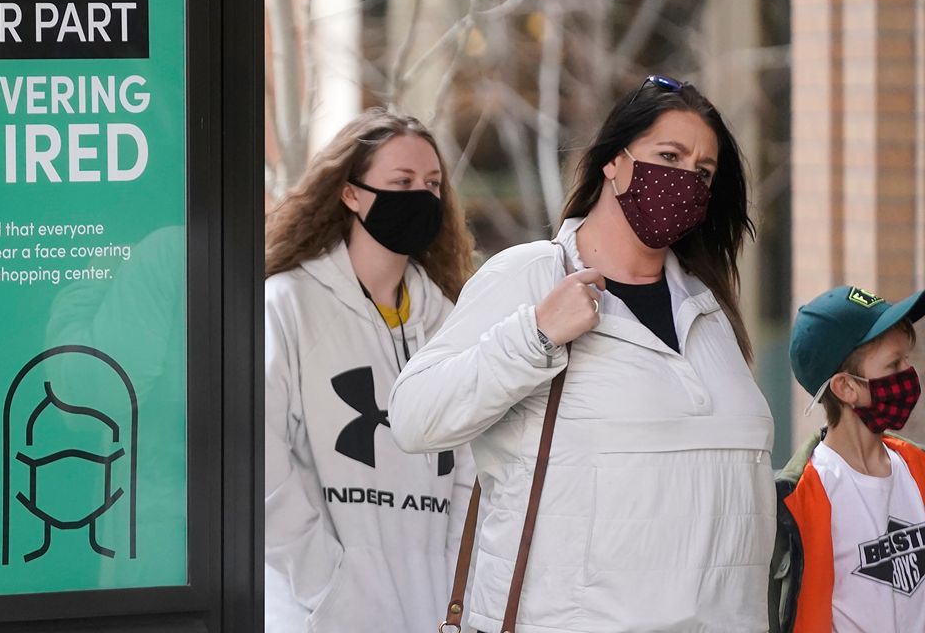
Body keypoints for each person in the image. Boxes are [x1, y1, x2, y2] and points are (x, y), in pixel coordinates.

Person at [389, 76, 775, 632]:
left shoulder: (709, 311)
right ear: (612, 163)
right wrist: (536, 335)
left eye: (703, 172)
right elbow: (414, 417)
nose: (686, 179)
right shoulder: (530, 275)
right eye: (669, 155)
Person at [264, 108, 477, 632]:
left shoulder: (453, 323)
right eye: (401, 182)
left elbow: (473, 479)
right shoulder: (286, 306)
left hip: (432, 616)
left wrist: (457, 598)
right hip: (320, 613)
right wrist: (330, 590)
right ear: (351, 193)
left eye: (432, 185)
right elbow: (260, 467)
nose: (421, 198)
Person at [769, 286, 925, 633]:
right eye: (893, 364)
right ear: (845, 388)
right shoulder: (804, 498)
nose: (908, 372)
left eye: (906, 359)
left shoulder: (918, 469)